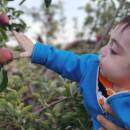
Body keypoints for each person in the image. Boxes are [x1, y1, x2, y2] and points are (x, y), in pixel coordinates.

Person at [12, 15, 130, 130]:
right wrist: (39, 52)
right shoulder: (92, 67)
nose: (102, 50)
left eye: (113, 50)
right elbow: (69, 61)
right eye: (108, 42)